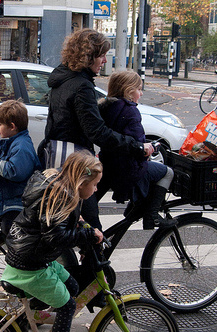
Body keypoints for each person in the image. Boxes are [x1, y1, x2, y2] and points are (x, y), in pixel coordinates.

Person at [2, 151, 104, 332]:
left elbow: (67, 218)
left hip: (31, 256)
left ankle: (34, 329)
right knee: (68, 306)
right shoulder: (62, 197)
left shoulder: (59, 186)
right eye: (95, 185)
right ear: (82, 182)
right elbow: (56, 237)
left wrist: (82, 224)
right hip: (32, 265)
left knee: (73, 287)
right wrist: (86, 235)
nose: (96, 189)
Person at [40, 28, 144, 230]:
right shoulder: (82, 86)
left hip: (58, 156)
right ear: (88, 56)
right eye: (102, 55)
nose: (105, 61)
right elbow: (97, 132)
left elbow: (71, 118)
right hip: (76, 165)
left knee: (72, 223)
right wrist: (137, 147)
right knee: (92, 231)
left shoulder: (63, 79)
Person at [97, 71, 176, 230]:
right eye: (139, 90)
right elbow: (135, 143)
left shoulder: (107, 106)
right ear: (128, 90)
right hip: (127, 169)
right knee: (167, 172)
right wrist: (145, 149)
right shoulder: (130, 110)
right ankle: (151, 216)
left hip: (109, 165)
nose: (140, 94)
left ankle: (137, 205)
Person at [0, 100, 42, 234]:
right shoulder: (17, 142)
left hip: (17, 203)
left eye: (0, 124)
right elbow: (11, 159)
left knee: (13, 238)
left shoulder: (22, 146)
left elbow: (15, 171)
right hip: (12, 200)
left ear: (12, 126)